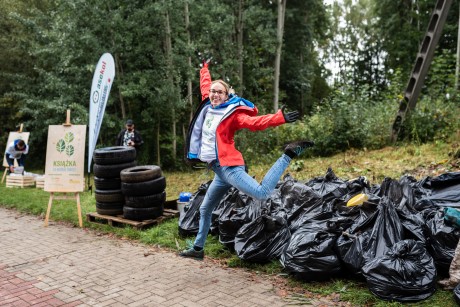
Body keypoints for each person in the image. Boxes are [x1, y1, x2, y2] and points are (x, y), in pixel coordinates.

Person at [180, 62, 314, 259]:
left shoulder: (232, 115)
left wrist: (279, 118)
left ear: (227, 96)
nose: (215, 94)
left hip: (230, 168)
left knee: (262, 193)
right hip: (219, 171)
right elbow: (205, 84)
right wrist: (204, 68)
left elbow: (254, 122)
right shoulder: (207, 106)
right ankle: (198, 249)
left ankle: (289, 154)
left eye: (220, 92)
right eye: (213, 91)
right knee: (205, 208)